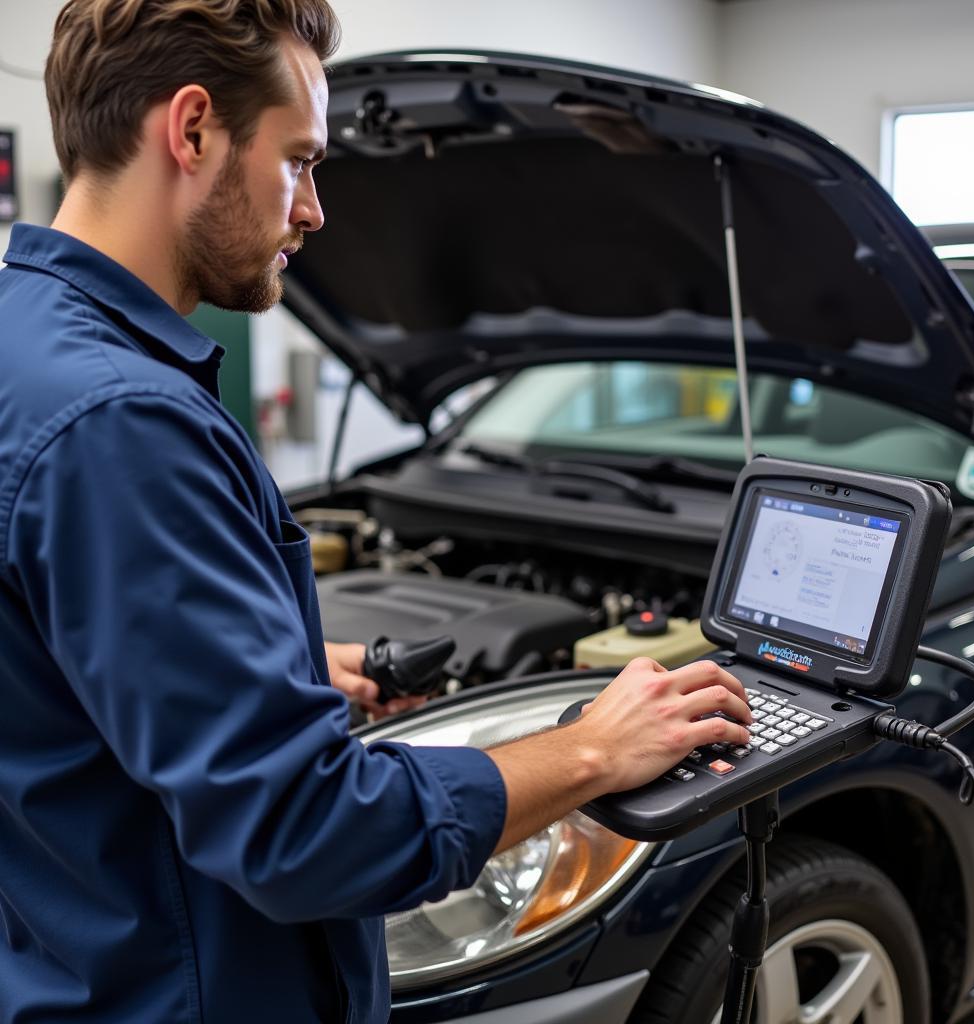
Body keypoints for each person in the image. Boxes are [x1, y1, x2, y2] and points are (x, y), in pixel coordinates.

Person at [0, 1, 752, 1021]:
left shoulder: (24, 346)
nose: (312, 209)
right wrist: (591, 749)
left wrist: (274, 672)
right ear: (190, 130)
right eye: (299, 161)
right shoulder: (124, 422)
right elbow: (301, 831)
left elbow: (45, 668)